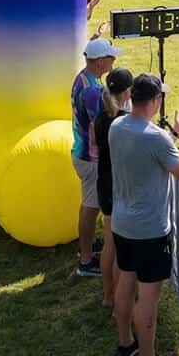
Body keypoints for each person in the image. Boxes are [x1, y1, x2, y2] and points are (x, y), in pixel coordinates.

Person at [110, 74, 179, 356]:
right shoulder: (154, 138)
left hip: (122, 224)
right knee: (148, 300)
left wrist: (174, 134)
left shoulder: (117, 126)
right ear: (155, 100)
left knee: (126, 283)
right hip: (150, 231)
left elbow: (151, 148)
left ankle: (125, 342)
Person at [71, 37, 122, 276]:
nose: (114, 60)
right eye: (111, 57)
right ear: (101, 61)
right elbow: (103, 124)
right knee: (91, 207)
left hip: (83, 153)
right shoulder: (93, 91)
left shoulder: (83, 78)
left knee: (90, 205)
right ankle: (86, 260)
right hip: (91, 158)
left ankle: (88, 248)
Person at [94, 67, 133, 308]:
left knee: (110, 244)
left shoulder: (101, 117)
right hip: (118, 189)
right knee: (120, 250)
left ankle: (109, 297)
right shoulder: (121, 123)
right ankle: (119, 300)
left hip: (104, 184)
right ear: (128, 92)